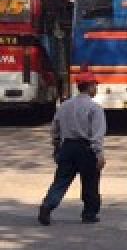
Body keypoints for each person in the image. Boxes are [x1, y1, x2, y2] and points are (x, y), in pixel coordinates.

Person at [38, 73, 107, 225]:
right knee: (90, 182)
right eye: (95, 85)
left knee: (61, 181)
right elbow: (97, 134)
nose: (96, 88)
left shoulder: (64, 106)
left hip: (68, 147)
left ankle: (47, 206)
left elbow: (55, 128)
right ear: (89, 87)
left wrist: (56, 146)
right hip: (86, 149)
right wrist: (99, 153)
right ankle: (89, 214)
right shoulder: (95, 108)